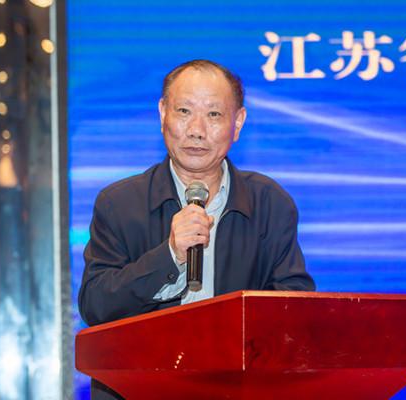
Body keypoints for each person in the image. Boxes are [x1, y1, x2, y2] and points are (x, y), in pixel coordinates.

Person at [78, 59, 315, 398]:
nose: (197, 130)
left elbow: (295, 311)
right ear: (163, 113)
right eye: (184, 111)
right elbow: (96, 306)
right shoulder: (119, 203)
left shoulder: (269, 203)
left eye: (214, 114)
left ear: (238, 123)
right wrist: (169, 256)